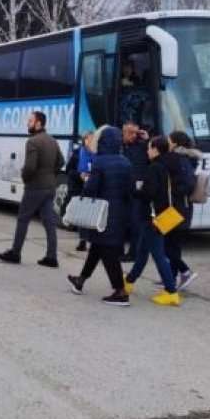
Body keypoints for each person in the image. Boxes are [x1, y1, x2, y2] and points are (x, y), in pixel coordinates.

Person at [67, 126, 132, 306]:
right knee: (97, 247)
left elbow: (90, 190)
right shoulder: (126, 162)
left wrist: (87, 182)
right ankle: (80, 280)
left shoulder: (100, 162)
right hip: (119, 214)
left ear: (102, 142)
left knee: (108, 253)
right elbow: (130, 191)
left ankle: (120, 291)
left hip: (101, 215)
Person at [0, 111, 64, 267]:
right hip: (50, 186)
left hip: (35, 187)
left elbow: (30, 167)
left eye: (30, 121)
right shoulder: (52, 140)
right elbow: (61, 161)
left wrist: (25, 178)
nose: (28, 123)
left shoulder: (33, 142)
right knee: (49, 222)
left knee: (23, 218)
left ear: (38, 123)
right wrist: (50, 175)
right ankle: (51, 257)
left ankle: (15, 252)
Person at [123, 136, 184, 305]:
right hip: (159, 216)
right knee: (143, 253)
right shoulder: (166, 166)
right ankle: (129, 281)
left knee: (158, 255)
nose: (147, 151)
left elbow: (149, 193)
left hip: (153, 217)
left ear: (156, 149)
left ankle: (171, 291)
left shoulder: (155, 167)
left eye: (149, 148)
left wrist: (134, 191)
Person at [166, 131, 200, 290]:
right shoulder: (184, 159)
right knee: (172, 244)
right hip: (179, 208)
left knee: (167, 245)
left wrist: (171, 190)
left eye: (169, 140)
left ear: (175, 143)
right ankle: (170, 277)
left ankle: (185, 272)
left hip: (177, 208)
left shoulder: (179, 160)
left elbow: (187, 184)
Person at [121, 122, 150, 262]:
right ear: (123, 132)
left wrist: (147, 140)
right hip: (121, 189)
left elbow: (156, 157)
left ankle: (133, 253)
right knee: (121, 221)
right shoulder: (118, 146)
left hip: (137, 191)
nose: (133, 136)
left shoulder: (143, 146)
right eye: (130, 132)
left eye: (136, 133)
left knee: (135, 223)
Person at [119, 60, 150, 127]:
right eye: (125, 68)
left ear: (132, 69)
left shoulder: (136, 79)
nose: (127, 70)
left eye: (129, 68)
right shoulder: (118, 78)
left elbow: (136, 89)